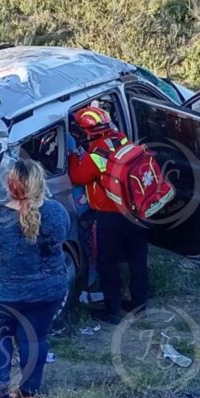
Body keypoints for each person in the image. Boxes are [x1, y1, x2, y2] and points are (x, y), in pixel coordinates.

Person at [0, 159, 70, 398]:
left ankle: (0, 389)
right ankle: (29, 391)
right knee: (34, 339)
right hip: (47, 291)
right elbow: (62, 236)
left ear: (10, 185)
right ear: (40, 182)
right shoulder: (57, 211)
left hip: (3, 295)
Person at [68, 106, 148, 324]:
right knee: (137, 258)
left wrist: (74, 156)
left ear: (87, 132)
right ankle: (139, 301)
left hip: (110, 216)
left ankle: (112, 309)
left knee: (107, 262)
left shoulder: (95, 155)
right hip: (137, 212)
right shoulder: (122, 139)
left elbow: (77, 177)